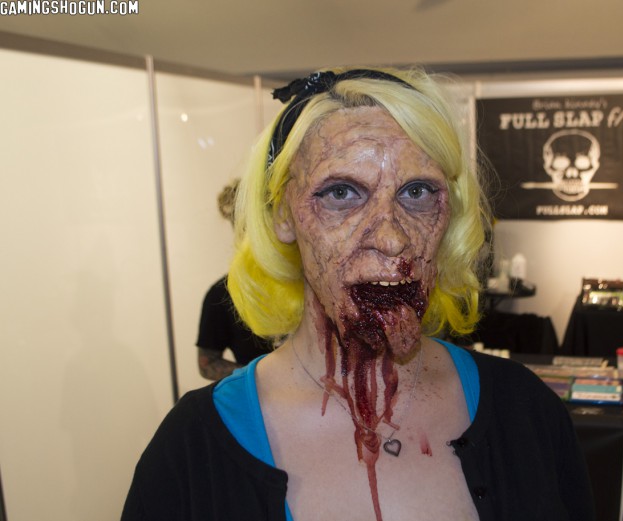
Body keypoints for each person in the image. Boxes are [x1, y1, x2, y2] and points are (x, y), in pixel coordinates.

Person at [122, 66, 595, 521]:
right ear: (283, 214)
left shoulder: (526, 412)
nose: (391, 238)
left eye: (417, 192)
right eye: (342, 193)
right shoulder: (192, 451)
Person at [196, 179, 270, 380]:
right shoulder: (221, 294)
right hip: (259, 397)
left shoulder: (308, 281)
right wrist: (259, 378)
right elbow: (207, 364)